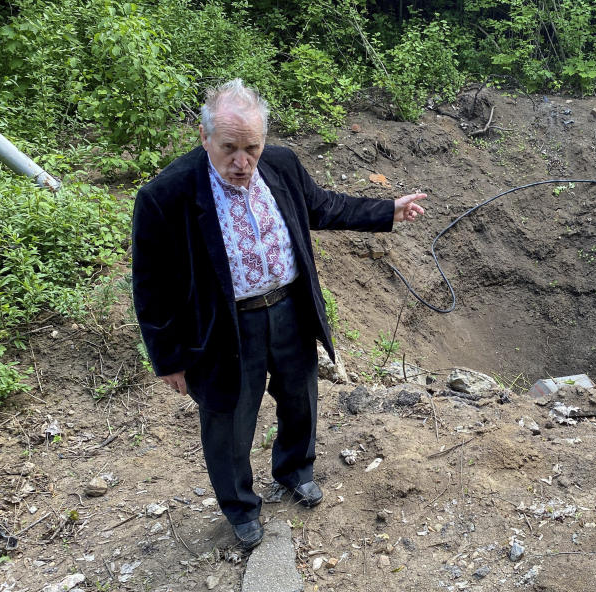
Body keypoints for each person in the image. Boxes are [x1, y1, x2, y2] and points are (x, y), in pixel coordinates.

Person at [132, 78, 425, 550]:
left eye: (252, 147)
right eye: (229, 148)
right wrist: (167, 359)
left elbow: (324, 206)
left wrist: (386, 210)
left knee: (299, 398)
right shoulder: (166, 195)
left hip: (289, 307)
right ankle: (241, 508)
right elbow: (150, 286)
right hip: (224, 327)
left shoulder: (281, 165)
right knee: (228, 420)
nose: (242, 162)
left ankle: (294, 470)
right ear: (205, 138)